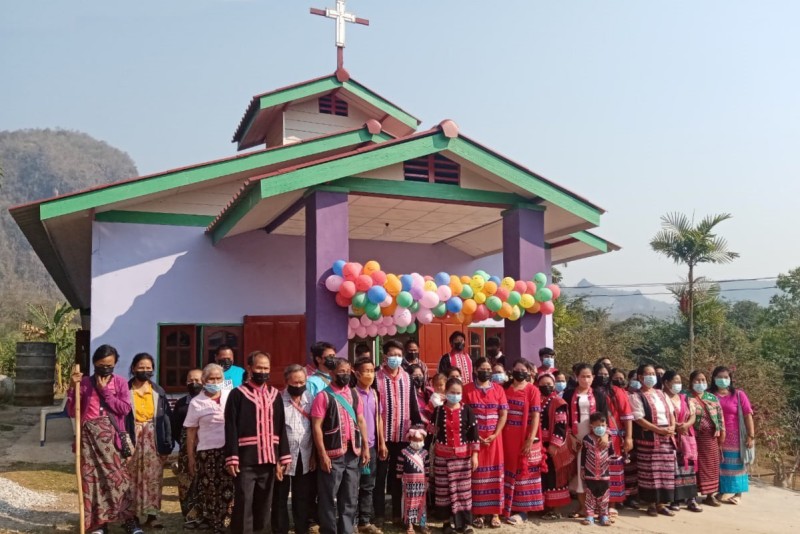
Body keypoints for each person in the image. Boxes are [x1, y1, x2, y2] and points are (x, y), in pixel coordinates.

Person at [68, 345, 143, 534]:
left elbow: (125, 409)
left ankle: (129, 521)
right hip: (88, 440)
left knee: (118, 480)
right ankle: (98, 524)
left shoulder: (119, 383)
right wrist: (71, 388)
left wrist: (105, 392)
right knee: (92, 481)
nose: (106, 368)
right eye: (102, 365)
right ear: (94, 363)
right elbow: (72, 410)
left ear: (115, 364)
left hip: (113, 440)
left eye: (110, 365)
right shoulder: (84, 383)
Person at [224, 351, 291, 534]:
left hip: (269, 459)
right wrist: (232, 457)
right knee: (244, 503)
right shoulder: (237, 394)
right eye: (259, 367)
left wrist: (282, 457)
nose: (263, 371)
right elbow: (231, 428)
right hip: (245, 460)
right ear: (250, 368)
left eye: (266, 368)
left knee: (264, 504)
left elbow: (280, 427)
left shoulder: (275, 395)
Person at [311, 358, 371, 534]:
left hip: (353, 454)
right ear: (331, 373)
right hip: (332, 454)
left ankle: (347, 530)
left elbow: (361, 420)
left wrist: (365, 447)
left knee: (350, 496)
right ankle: (329, 530)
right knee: (328, 496)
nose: (345, 375)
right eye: (341, 372)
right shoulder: (323, 396)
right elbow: (316, 426)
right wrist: (322, 454)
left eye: (347, 371)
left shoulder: (354, 394)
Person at [374, 340, 422, 526]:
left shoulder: (407, 377)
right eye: (392, 355)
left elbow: (414, 405)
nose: (396, 358)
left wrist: (417, 427)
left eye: (398, 355)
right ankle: (378, 515)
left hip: (402, 437)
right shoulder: (376, 378)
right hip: (381, 437)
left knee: (398, 477)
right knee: (379, 477)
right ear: (385, 357)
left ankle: (397, 513)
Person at [184, 363, 234, 533]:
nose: (215, 381)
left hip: (230, 450)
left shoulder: (231, 396)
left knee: (230, 488)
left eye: (218, 378)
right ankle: (216, 524)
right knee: (211, 489)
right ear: (204, 381)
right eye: (211, 378)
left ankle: (230, 524)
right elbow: (191, 432)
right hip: (207, 453)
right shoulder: (197, 403)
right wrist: (191, 458)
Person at [125, 353, 173, 529]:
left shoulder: (158, 391)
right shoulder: (125, 389)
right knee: (132, 476)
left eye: (148, 368)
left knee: (154, 477)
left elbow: (166, 418)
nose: (145, 371)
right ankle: (132, 515)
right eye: (141, 367)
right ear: (133, 368)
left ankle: (152, 515)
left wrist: (167, 442)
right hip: (132, 435)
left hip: (153, 437)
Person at [463, 357, 508, 528]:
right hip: (474, 440)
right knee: (476, 475)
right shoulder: (467, 389)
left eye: (489, 369)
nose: (487, 371)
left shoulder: (498, 390)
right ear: (475, 370)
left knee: (495, 476)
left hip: (495, 441)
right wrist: (475, 435)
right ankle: (479, 513)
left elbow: (503, 414)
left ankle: (495, 513)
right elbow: (464, 415)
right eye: (483, 368)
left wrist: (496, 434)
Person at [431, 378, 479, 534]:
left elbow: (473, 435)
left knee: (463, 491)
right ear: (445, 392)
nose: (455, 395)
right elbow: (432, 433)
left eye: (458, 393)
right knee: (443, 491)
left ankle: (465, 524)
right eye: (452, 392)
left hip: (462, 458)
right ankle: (447, 523)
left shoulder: (467, 411)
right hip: (442, 458)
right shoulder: (438, 411)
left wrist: (475, 456)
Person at [272, 365, 316, 534]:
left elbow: (314, 428)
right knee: (280, 497)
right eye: (294, 382)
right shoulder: (277, 401)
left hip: (305, 455)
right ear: (286, 382)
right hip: (283, 456)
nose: (298, 386)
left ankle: (301, 528)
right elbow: (273, 432)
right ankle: (280, 528)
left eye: (302, 382)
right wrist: (276, 460)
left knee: (302, 496)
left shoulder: (310, 399)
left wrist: (314, 456)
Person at [562, 363, 609, 518]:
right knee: (579, 471)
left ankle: (596, 507)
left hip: (595, 437)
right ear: (577, 377)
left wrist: (604, 435)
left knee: (593, 471)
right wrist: (570, 437)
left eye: (589, 376)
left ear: (593, 377)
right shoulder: (568, 394)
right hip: (575, 437)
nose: (586, 379)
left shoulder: (599, 395)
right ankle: (583, 507)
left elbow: (605, 418)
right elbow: (564, 417)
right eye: (582, 376)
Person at [629, 364, 676, 517]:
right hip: (649, 439)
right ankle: (650, 504)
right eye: (647, 374)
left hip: (666, 437)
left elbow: (671, 412)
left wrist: (672, 428)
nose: (651, 376)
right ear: (641, 377)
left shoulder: (662, 394)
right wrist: (658, 430)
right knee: (649, 473)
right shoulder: (636, 396)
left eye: (653, 374)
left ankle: (662, 503)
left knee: (665, 472)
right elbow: (639, 419)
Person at [501, 359, 543, 525]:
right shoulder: (505, 389)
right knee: (507, 469)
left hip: (523, 437)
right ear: (512, 371)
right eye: (517, 369)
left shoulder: (532, 390)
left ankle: (523, 511)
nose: (520, 372)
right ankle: (506, 508)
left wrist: (530, 439)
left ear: (529, 372)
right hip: (505, 437)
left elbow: (536, 417)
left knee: (522, 471)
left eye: (523, 369)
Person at [709, 365, 754, 504]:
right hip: (714, 435)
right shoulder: (709, 394)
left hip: (735, 437)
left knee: (737, 465)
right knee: (719, 465)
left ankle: (738, 494)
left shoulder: (739, 394)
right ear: (714, 379)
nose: (723, 380)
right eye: (719, 377)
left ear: (730, 379)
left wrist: (751, 435)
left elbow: (748, 415)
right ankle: (721, 491)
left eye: (726, 377)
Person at [592, 363, 633, 513]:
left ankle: (612, 504)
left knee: (613, 470)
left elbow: (627, 415)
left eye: (606, 374)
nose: (603, 376)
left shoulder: (616, 391)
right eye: (599, 373)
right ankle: (596, 504)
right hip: (593, 435)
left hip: (614, 437)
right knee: (596, 470)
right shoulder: (590, 392)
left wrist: (629, 437)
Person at [354, 357, 387, 534]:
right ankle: (350, 520)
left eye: (371, 371)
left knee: (368, 485)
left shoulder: (375, 394)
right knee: (352, 486)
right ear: (356, 373)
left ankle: (364, 521)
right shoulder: (352, 393)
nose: (369, 374)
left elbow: (378, 418)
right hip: (355, 448)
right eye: (365, 371)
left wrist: (381, 442)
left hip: (372, 447)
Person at [662, 370, 701, 513]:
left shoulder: (685, 398)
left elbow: (692, 416)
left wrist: (686, 425)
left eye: (679, 382)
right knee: (674, 469)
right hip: (671, 437)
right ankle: (676, 500)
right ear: (666, 383)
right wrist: (675, 427)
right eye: (675, 382)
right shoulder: (662, 398)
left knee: (688, 467)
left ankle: (691, 499)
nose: (678, 384)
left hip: (686, 436)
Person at [536, 373, 573, 517]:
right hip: (538, 445)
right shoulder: (537, 400)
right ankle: (544, 506)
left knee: (554, 476)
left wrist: (554, 445)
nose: (547, 387)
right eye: (543, 384)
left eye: (550, 384)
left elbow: (561, 425)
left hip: (551, 445)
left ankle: (555, 509)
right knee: (542, 476)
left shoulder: (558, 402)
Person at [688, 370, 725, 506]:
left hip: (710, 438)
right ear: (691, 382)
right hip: (692, 436)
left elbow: (720, 417)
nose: (700, 383)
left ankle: (710, 495)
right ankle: (690, 495)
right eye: (697, 380)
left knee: (711, 466)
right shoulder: (686, 397)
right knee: (693, 466)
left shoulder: (712, 397)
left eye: (703, 380)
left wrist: (722, 432)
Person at [171, 368, 203, 525]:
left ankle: (205, 515)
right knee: (186, 482)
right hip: (186, 450)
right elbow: (175, 427)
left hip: (205, 449)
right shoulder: (181, 403)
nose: (194, 383)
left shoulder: (209, 401)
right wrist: (186, 444)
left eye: (198, 380)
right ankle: (190, 516)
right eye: (191, 380)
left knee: (203, 482)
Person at [580, 412, 615, 526]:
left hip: (605, 473)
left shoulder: (609, 439)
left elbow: (612, 454)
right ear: (591, 426)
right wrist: (582, 469)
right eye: (597, 426)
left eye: (602, 425)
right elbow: (583, 455)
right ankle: (589, 515)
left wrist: (614, 460)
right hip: (590, 473)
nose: (600, 428)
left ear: (606, 425)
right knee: (590, 494)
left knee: (604, 495)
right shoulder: (587, 439)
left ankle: (603, 515)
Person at [397, 428, 430, 534]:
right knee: (408, 504)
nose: (418, 442)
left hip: (421, 484)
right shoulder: (404, 452)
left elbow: (427, 468)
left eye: (420, 440)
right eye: (415, 440)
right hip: (408, 484)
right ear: (410, 439)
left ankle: (423, 524)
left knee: (422, 503)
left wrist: (427, 480)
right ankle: (409, 525)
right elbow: (399, 467)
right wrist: (399, 477)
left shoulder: (425, 453)